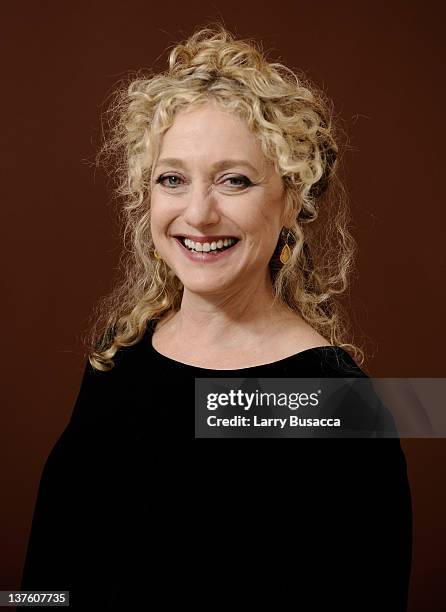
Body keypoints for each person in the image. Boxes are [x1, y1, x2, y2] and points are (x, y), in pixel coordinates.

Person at [20, 24, 412, 609]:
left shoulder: (334, 403)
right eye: (172, 179)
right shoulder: (118, 357)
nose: (198, 214)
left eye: (234, 180)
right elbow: (48, 583)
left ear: (290, 203)